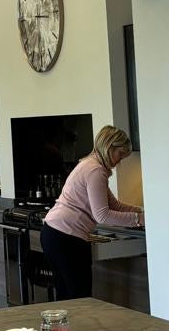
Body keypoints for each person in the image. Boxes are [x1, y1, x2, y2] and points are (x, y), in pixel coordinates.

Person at [41, 125, 144, 299]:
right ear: (109, 147)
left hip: (54, 233)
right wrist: (139, 219)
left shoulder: (89, 165)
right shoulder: (96, 171)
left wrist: (142, 212)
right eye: (120, 155)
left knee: (67, 297)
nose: (120, 161)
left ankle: (64, 328)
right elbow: (102, 215)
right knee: (81, 299)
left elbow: (114, 205)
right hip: (67, 238)